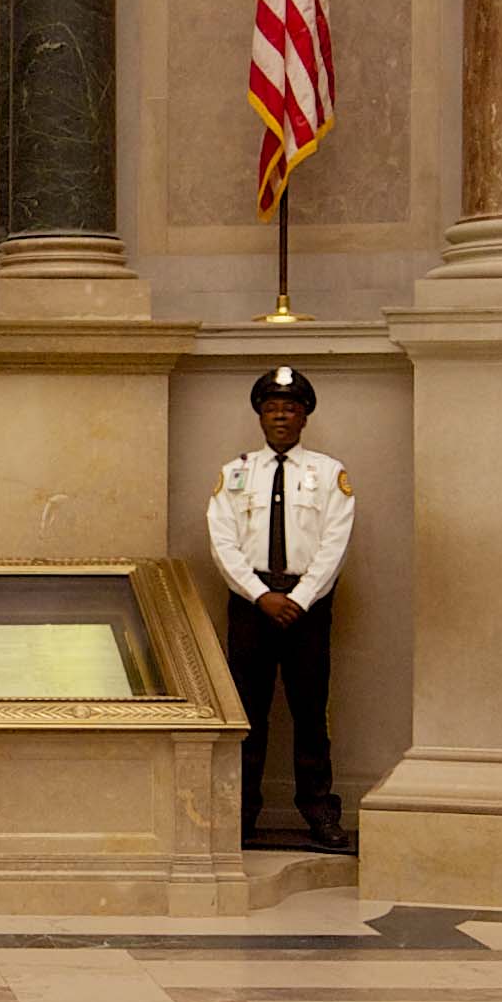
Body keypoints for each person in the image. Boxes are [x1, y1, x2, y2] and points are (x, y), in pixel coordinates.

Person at [209, 365, 353, 854]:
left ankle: (320, 814)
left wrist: (299, 597)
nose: (281, 417)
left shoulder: (329, 474)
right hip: (252, 606)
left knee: (311, 713)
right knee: (247, 714)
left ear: (304, 417)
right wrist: (259, 595)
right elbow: (223, 543)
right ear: (260, 415)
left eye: (290, 409)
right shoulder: (235, 474)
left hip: (307, 607)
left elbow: (335, 543)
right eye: (272, 409)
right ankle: (240, 815)